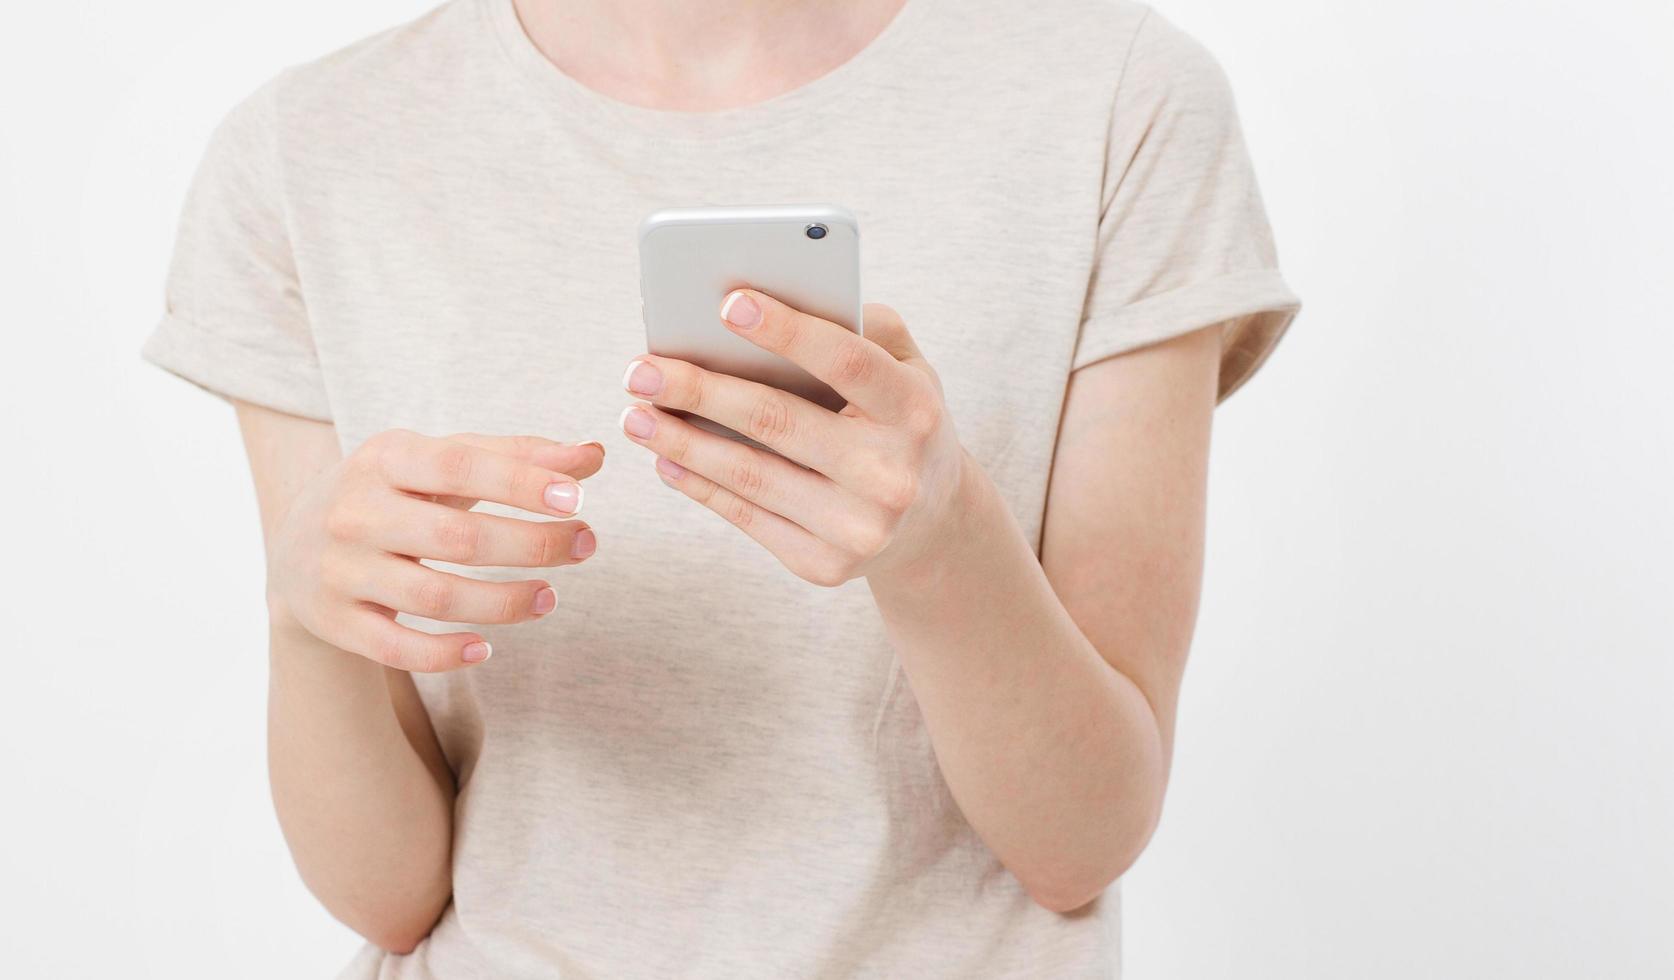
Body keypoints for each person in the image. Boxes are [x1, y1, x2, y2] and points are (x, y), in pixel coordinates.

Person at [143, 0, 1299, 975]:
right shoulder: (307, 152)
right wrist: (306, 620)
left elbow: (1081, 837)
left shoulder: (1120, 101)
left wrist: (940, 538)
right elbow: (388, 893)